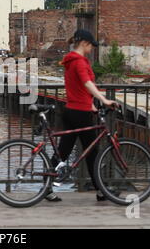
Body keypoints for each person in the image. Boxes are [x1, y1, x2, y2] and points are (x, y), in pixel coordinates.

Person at [45, 29, 119, 202]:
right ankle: (101, 191)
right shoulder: (78, 62)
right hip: (80, 113)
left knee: (63, 152)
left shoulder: (71, 61)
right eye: (91, 45)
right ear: (84, 43)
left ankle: (46, 188)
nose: (92, 49)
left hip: (72, 109)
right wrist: (104, 99)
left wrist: (92, 104)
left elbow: (78, 88)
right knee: (92, 152)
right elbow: (86, 83)